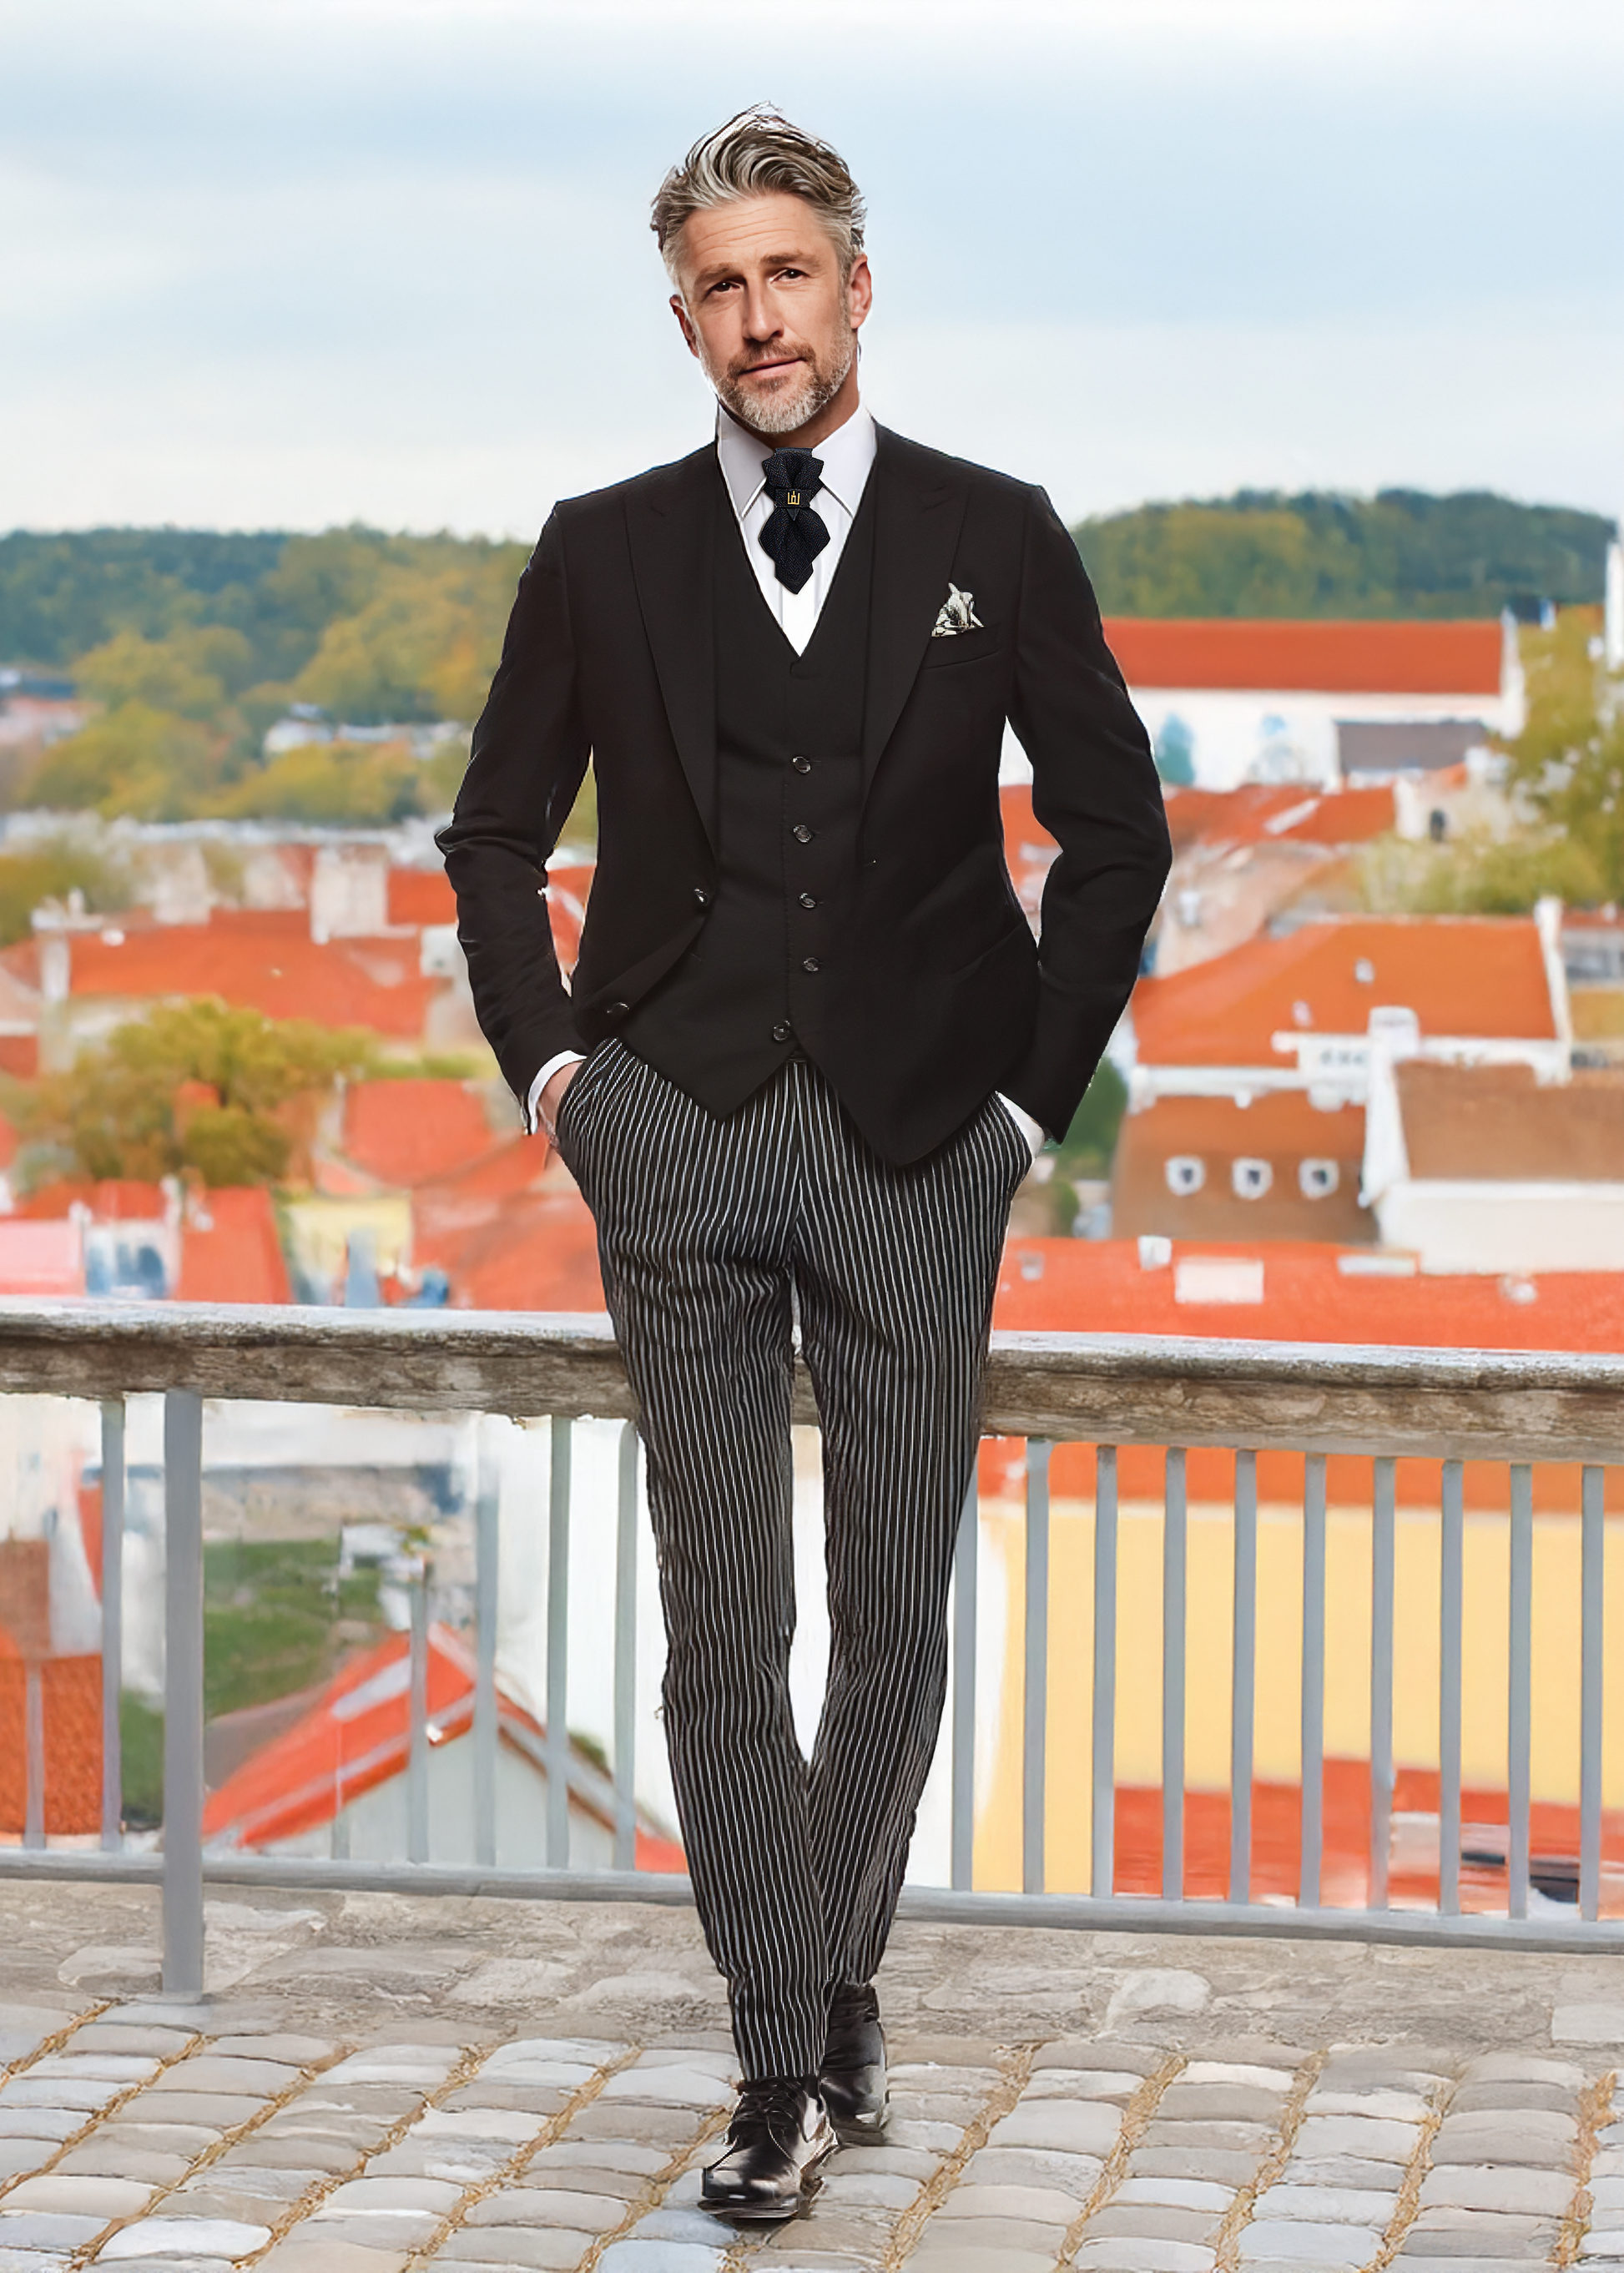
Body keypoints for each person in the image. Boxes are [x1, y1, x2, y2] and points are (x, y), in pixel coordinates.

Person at [438, 106, 1170, 2223]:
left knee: (893, 1616)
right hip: (674, 1130)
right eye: (716, 290)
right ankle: (780, 2054)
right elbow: (496, 836)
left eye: (787, 275)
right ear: (683, 324)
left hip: (927, 1140)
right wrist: (562, 1075)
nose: (756, 319)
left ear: (858, 288)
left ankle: (834, 1965)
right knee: (715, 1621)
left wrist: (1032, 1103)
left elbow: (1113, 831)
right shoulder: (602, 546)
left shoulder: (997, 533)